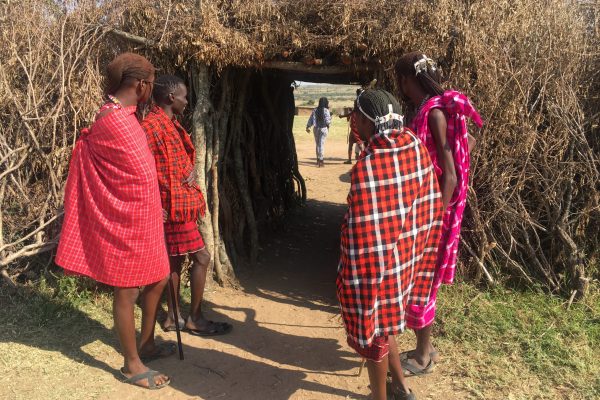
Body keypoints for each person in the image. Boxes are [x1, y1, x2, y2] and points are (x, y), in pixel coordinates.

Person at [55, 53, 172, 389]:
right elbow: (131, 176)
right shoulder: (114, 120)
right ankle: (131, 365)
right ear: (140, 84)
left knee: (160, 275)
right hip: (125, 219)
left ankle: (146, 343)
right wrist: (148, 204)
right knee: (127, 289)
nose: (150, 90)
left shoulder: (124, 115)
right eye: (150, 84)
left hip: (143, 217)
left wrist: (153, 205)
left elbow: (139, 172)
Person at [337, 89, 444, 400]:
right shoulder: (415, 147)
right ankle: (402, 389)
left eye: (356, 116)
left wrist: (352, 272)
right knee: (384, 327)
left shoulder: (369, 165)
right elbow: (428, 208)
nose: (353, 120)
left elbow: (362, 232)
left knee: (373, 333)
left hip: (374, 267)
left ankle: (379, 397)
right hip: (407, 261)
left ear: (368, 122)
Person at [395, 52, 482, 376]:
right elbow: (468, 141)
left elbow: (450, 176)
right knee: (420, 283)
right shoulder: (433, 111)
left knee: (421, 286)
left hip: (432, 214)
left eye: (400, 79)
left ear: (406, 80)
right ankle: (425, 348)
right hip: (428, 209)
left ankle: (422, 355)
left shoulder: (433, 114)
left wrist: (434, 216)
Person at [141, 75, 232, 337]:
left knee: (175, 260)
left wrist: (189, 169)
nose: (186, 100)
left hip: (177, 205)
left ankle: (173, 317)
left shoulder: (168, 124)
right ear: (171, 98)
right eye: (184, 96)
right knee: (201, 257)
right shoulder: (153, 127)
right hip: (172, 209)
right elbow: (144, 170)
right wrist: (152, 202)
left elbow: (175, 161)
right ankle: (194, 318)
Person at [339, 89, 365, 164]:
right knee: (354, 143)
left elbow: (353, 112)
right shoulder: (363, 101)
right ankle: (351, 159)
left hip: (355, 126)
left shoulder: (357, 101)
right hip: (359, 125)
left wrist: (343, 116)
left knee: (357, 143)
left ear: (357, 93)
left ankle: (354, 159)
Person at [306, 97, 331, 167]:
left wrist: (308, 126)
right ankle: (321, 161)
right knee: (321, 144)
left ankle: (318, 160)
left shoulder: (315, 110)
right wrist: (329, 122)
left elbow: (310, 119)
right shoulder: (326, 110)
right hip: (323, 129)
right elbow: (328, 121)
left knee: (317, 144)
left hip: (316, 129)